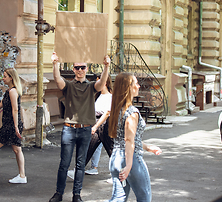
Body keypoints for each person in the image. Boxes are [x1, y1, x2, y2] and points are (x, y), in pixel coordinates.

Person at [49, 52, 110, 202]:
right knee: (64, 163)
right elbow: (57, 80)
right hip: (69, 129)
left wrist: (106, 66)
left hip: (85, 130)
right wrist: (55, 64)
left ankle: (77, 195)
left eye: (82, 67)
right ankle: (59, 193)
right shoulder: (69, 86)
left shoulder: (90, 87)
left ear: (87, 68)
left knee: (81, 164)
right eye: (77, 67)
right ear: (73, 69)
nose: (80, 70)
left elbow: (102, 83)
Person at [107, 73, 162, 202]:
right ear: (128, 88)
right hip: (131, 159)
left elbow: (129, 138)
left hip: (115, 158)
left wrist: (148, 147)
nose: (138, 86)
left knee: (118, 198)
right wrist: (129, 165)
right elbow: (129, 140)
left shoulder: (117, 110)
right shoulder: (132, 112)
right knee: (145, 198)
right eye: (136, 83)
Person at [68, 74, 114, 179]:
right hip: (96, 124)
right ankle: (77, 171)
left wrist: (95, 126)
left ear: (105, 83)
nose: (96, 84)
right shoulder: (98, 96)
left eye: (99, 82)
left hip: (104, 125)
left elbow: (107, 113)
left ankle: (118, 175)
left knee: (111, 149)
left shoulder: (110, 97)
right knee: (88, 148)